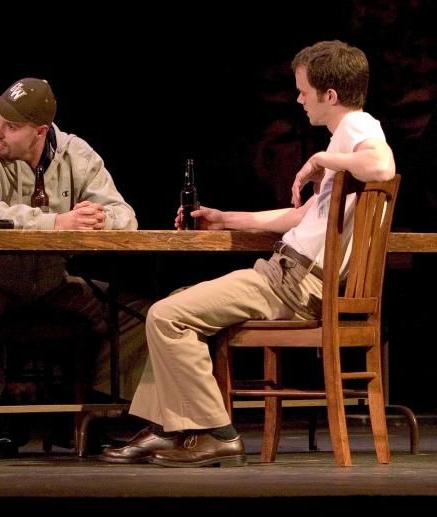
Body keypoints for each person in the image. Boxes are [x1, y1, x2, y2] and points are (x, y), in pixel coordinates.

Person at [100, 40, 396, 467]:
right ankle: (167, 428)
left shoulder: (355, 128)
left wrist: (319, 159)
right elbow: (302, 216)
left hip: (292, 283)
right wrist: (224, 219)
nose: (299, 100)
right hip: (290, 277)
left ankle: (216, 434)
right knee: (175, 303)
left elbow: (383, 166)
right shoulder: (348, 143)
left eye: (304, 91)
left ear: (330, 95)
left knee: (166, 316)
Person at [0, 78, 140, 458]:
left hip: (52, 281)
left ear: (40, 131)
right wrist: (58, 223)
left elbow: (125, 214)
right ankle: (0, 413)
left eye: (11, 126)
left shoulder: (76, 153)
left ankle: (88, 415)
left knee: (141, 318)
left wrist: (101, 219)